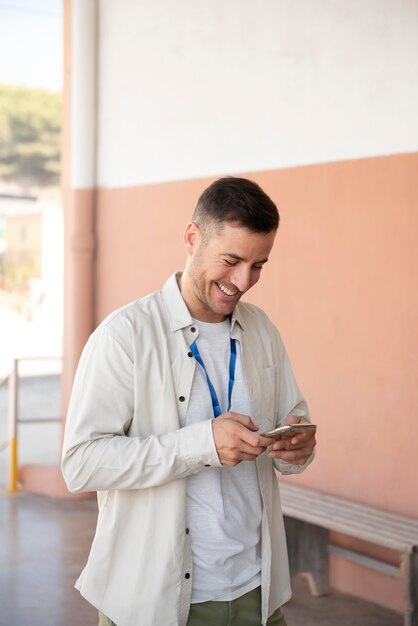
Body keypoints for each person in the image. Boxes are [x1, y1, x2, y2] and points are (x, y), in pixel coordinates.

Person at [62, 176, 316, 626]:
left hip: (259, 596)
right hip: (155, 604)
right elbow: (81, 463)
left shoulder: (263, 330)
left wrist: (296, 448)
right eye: (232, 260)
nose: (243, 282)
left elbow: (292, 420)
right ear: (192, 237)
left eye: (258, 265)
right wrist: (202, 445)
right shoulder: (124, 336)